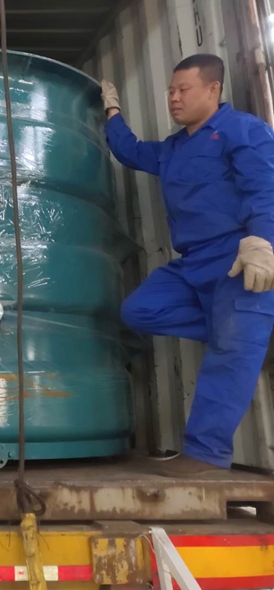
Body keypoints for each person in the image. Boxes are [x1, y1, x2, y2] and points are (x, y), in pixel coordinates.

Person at [101, 54, 274, 477]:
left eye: (183, 90)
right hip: (194, 263)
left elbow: (266, 187)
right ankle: (245, 332)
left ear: (213, 90)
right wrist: (112, 109)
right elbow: (131, 151)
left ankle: (205, 455)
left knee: (230, 351)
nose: (174, 98)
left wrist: (262, 241)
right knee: (139, 310)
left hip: (238, 258)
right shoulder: (174, 148)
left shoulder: (243, 129)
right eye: (170, 91)